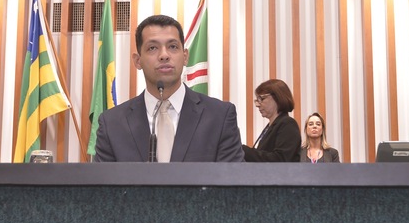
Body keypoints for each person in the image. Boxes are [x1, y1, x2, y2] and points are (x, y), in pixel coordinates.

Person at [94, 15, 244, 162]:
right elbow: (103, 179)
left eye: (173, 47)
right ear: (138, 61)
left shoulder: (219, 117)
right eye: (152, 48)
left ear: (185, 56)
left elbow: (233, 177)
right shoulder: (112, 124)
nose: (164, 55)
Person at [242, 79, 300, 162]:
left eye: (261, 99)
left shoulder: (288, 124)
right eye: (257, 100)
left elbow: (280, 160)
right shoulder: (270, 126)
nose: (257, 105)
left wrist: (244, 150)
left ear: (278, 98)